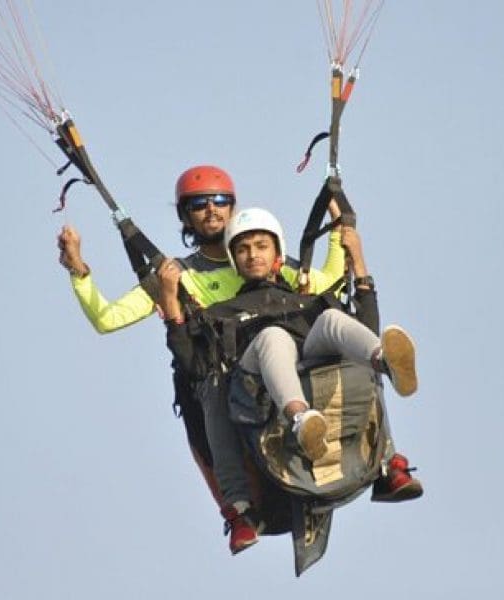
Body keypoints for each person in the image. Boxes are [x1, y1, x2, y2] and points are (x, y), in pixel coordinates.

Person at [57, 165, 346, 529]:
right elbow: (106, 319)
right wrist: (79, 271)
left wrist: (340, 229)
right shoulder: (175, 277)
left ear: (232, 207)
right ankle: (240, 505)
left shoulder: (261, 257)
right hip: (219, 385)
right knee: (210, 394)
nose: (211, 210)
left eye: (220, 201)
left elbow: (328, 286)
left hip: (279, 368)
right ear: (185, 216)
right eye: (199, 204)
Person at [162, 207, 423, 555]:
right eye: (243, 249)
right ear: (233, 259)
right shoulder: (223, 312)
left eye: (260, 246)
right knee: (272, 338)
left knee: (332, 317)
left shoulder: (306, 300)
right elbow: (194, 366)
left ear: (277, 253)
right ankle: (300, 420)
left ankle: (386, 364)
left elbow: (364, 327)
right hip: (256, 385)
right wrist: (169, 301)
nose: (252, 254)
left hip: (311, 364)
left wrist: (358, 261)